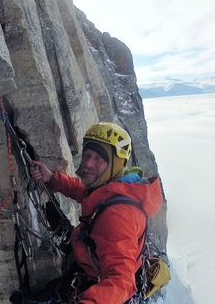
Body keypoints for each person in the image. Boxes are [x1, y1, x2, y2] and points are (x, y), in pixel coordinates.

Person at [29, 122, 164, 304]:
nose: (89, 163)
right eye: (87, 155)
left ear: (115, 164)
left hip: (95, 284)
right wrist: (53, 179)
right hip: (87, 265)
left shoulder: (117, 217)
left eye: (100, 158)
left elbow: (121, 281)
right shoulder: (115, 188)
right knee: (56, 289)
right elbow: (86, 194)